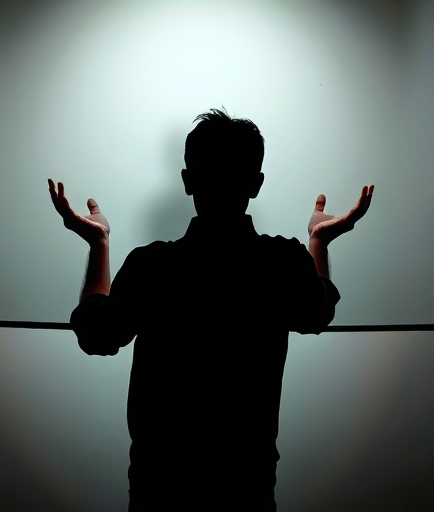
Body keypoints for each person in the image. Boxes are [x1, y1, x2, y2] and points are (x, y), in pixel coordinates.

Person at [48, 108, 374, 512]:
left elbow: (97, 335)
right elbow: (318, 313)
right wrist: (318, 242)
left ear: (188, 181)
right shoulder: (281, 262)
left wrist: (99, 243)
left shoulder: (153, 266)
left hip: (160, 490)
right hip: (247, 489)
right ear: (255, 185)